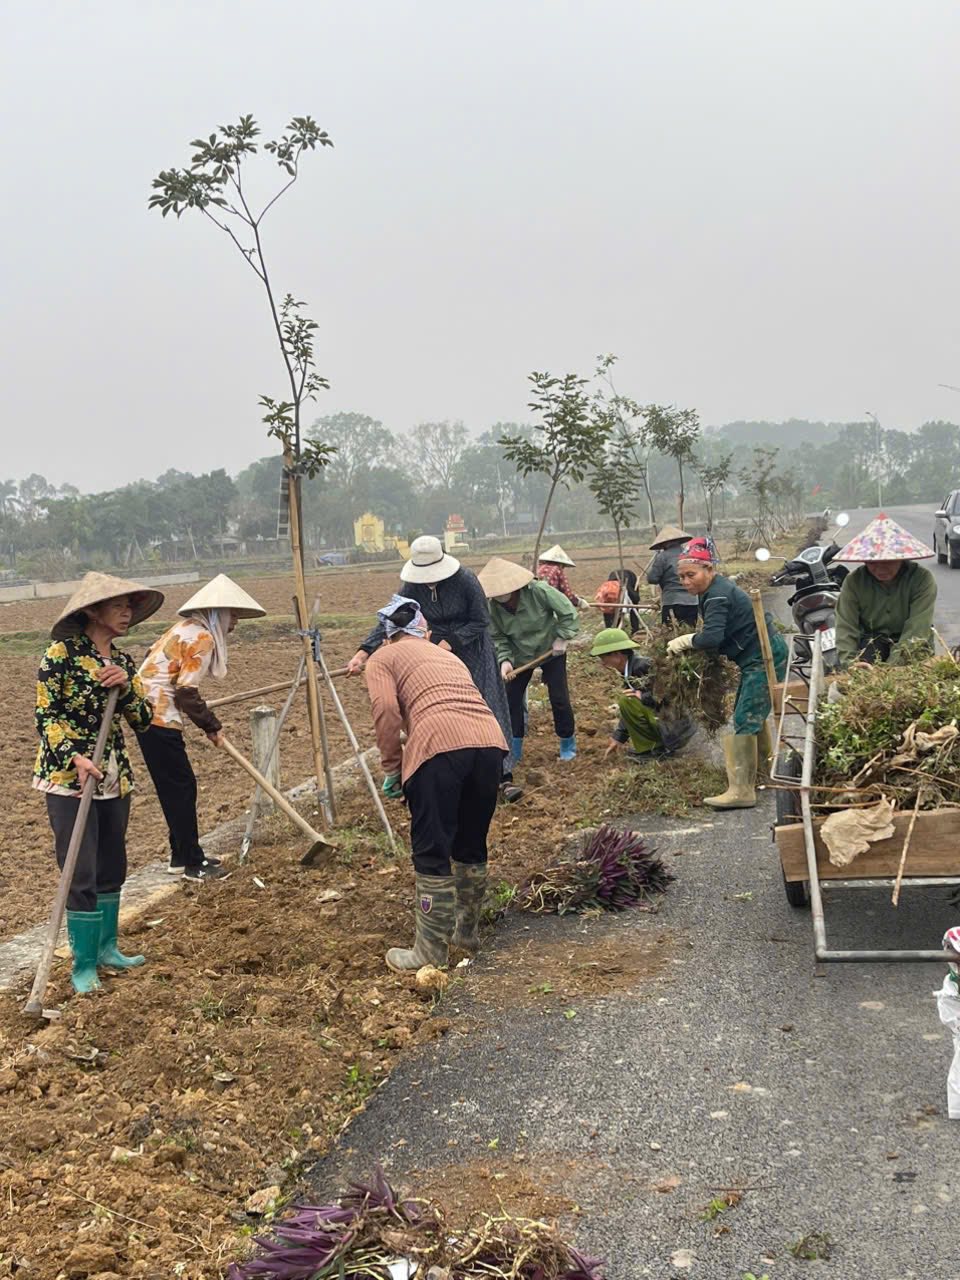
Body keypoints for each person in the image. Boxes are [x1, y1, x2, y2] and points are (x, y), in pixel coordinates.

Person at [34, 572, 162, 993]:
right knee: (80, 868)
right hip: (70, 778)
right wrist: (75, 757)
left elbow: (142, 719)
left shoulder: (123, 662)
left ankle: (108, 948)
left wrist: (126, 688)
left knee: (112, 864)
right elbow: (46, 716)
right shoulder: (61, 655)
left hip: (112, 777)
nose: (127, 613)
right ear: (93, 611)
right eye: (119, 606)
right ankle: (83, 964)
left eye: (130, 607)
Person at [364, 596, 508, 971]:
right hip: (489, 744)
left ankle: (429, 952)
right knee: (470, 843)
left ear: (388, 634)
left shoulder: (381, 658)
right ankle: (466, 933)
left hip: (438, 747)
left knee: (432, 848)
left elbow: (386, 711)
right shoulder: (446, 656)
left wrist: (393, 767)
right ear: (423, 631)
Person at [346, 535, 521, 802]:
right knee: (435, 706)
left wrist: (449, 644)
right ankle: (443, 769)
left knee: (486, 703)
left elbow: (481, 620)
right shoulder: (411, 586)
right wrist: (363, 651)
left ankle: (503, 775)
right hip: (430, 648)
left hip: (472, 648)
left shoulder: (465, 579)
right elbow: (392, 619)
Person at [138, 574, 266, 880]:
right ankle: (194, 864)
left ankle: (181, 856)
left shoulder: (184, 628)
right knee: (182, 787)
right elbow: (185, 690)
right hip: (157, 716)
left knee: (176, 788)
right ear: (217, 613)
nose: (235, 622)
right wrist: (211, 726)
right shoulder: (202, 637)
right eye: (232, 614)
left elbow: (150, 660)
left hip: (148, 713)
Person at [667, 537, 787, 810]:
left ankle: (742, 790)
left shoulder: (718, 595)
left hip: (763, 657)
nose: (686, 582)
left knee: (746, 716)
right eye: (682, 577)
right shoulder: (711, 592)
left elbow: (711, 637)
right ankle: (760, 774)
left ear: (709, 570)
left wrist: (686, 641)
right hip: (756, 656)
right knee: (749, 712)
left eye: (691, 575)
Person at [478, 557, 580, 761]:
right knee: (511, 700)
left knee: (559, 697)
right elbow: (498, 636)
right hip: (520, 655)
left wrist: (562, 637)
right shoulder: (492, 608)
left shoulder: (538, 591)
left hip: (551, 649)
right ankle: (513, 746)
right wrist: (505, 660)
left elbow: (568, 612)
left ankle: (567, 741)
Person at [833, 514, 937, 667]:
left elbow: (917, 628)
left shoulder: (922, 579)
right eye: (872, 563)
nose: (880, 569)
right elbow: (846, 627)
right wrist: (851, 663)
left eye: (887, 561)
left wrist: (889, 671)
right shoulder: (854, 582)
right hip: (872, 643)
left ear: (901, 557)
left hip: (914, 644)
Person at [591, 627, 696, 760]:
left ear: (617, 654)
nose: (602, 662)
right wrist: (619, 737)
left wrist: (644, 697)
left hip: (676, 726)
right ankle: (652, 748)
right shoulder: (629, 670)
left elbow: (671, 692)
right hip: (667, 723)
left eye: (603, 657)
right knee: (628, 700)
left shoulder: (643, 666)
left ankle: (656, 749)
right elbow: (631, 710)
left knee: (627, 700)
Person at [646, 525, 698, 625]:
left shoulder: (662, 557)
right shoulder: (692, 555)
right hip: (692, 601)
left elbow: (652, 579)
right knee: (689, 634)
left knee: (670, 633)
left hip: (672, 601)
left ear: (665, 544)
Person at [537, 545, 588, 609]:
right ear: (561, 564)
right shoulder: (557, 570)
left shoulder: (538, 568)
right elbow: (567, 594)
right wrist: (579, 602)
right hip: (545, 602)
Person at [595, 568, 642, 633]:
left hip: (627, 581)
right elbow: (605, 608)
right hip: (614, 587)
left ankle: (634, 629)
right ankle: (611, 630)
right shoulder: (607, 590)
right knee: (610, 608)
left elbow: (636, 600)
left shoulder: (626, 586)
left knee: (633, 605)